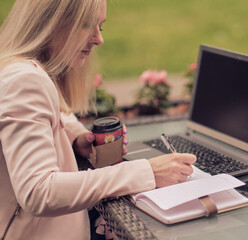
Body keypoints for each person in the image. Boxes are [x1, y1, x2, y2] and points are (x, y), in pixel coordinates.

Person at [0, 0, 196, 239]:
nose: (98, 39)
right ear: (50, 21)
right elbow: (40, 192)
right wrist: (147, 171)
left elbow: (56, 112)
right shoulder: (25, 80)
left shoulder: (21, 69)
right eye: (85, 25)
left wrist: (75, 137)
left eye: (100, 27)